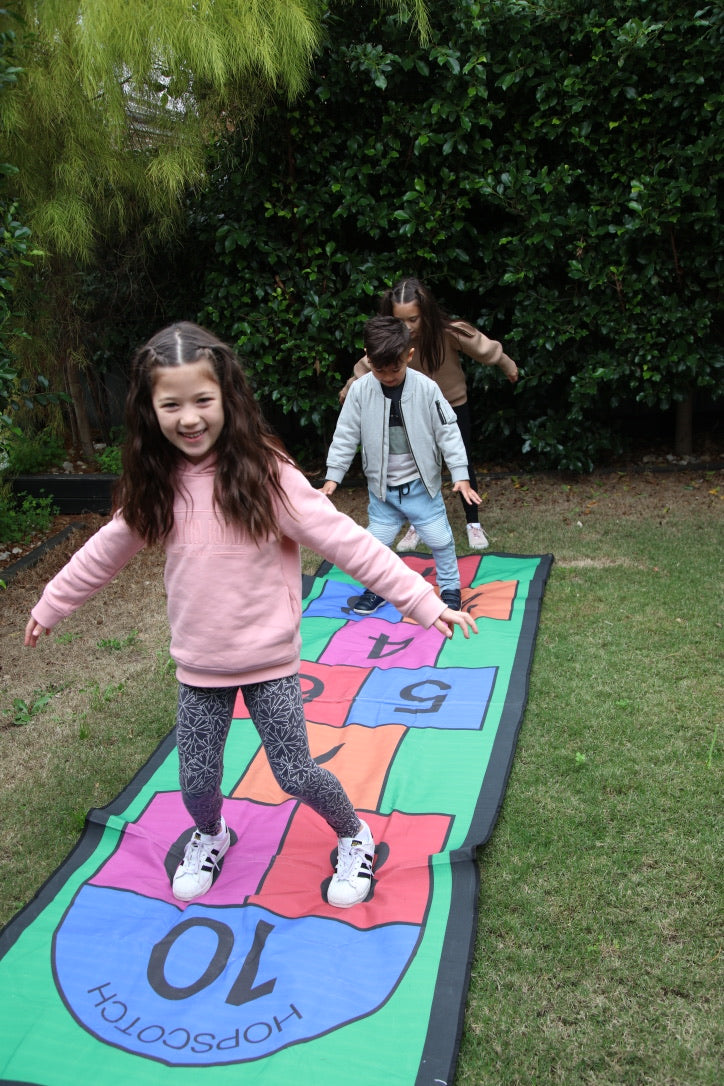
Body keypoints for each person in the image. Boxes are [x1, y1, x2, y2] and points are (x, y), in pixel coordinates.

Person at [24, 321, 478, 910]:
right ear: (149, 410)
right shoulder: (157, 483)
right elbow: (106, 549)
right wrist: (53, 603)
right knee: (196, 779)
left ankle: (354, 835)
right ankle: (211, 834)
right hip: (200, 666)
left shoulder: (268, 477)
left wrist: (423, 601)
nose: (189, 417)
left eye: (202, 400)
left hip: (269, 664)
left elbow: (348, 542)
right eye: (172, 404)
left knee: (295, 772)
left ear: (227, 399)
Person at [340, 277, 518, 551]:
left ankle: (473, 523)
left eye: (413, 319)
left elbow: (483, 347)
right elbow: (371, 364)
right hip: (414, 413)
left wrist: (507, 365)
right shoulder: (394, 343)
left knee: (462, 461)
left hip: (453, 406)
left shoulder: (448, 333)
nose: (408, 327)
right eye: (401, 320)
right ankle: (418, 524)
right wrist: (349, 388)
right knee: (418, 465)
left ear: (425, 314)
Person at [323, 315, 480, 616]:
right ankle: (379, 588)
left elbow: (449, 431)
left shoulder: (426, 389)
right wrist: (333, 475)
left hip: (422, 489)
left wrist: (460, 473)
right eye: (380, 370)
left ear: (408, 355)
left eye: (395, 368)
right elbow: (345, 435)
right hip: (382, 493)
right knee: (374, 546)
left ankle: (449, 588)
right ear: (367, 359)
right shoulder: (360, 391)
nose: (389, 375)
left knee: (440, 540)